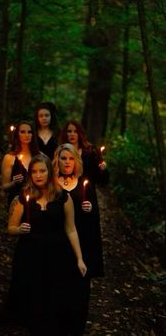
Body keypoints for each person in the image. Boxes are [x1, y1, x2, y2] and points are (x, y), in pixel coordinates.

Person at [7, 153, 87, 336]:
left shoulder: (63, 197)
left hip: (57, 254)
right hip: (30, 253)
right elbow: (10, 227)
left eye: (42, 170)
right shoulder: (23, 197)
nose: (38, 175)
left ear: (49, 172)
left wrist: (80, 259)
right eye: (34, 171)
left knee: (54, 296)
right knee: (33, 295)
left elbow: (71, 229)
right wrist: (19, 230)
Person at [53, 143, 105, 335]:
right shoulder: (51, 183)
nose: (67, 162)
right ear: (57, 160)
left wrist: (89, 211)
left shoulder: (85, 184)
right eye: (63, 158)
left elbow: (94, 221)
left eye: (71, 158)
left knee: (79, 288)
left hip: (81, 242)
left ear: (76, 161)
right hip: (57, 242)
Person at [1, 120, 39, 207]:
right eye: (22, 132)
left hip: (38, 201)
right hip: (17, 201)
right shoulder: (9, 158)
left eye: (29, 132)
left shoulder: (39, 156)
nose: (27, 135)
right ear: (17, 134)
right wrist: (14, 183)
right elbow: (4, 186)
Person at [59, 120, 109, 186]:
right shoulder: (60, 152)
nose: (72, 134)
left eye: (76, 131)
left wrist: (103, 170)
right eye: (69, 131)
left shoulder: (90, 152)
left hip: (86, 192)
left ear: (80, 133)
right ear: (65, 133)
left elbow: (101, 180)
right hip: (67, 190)